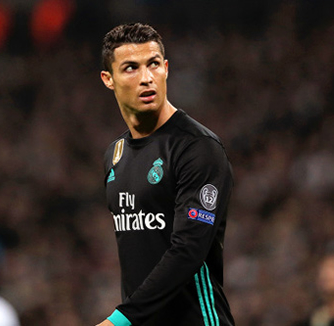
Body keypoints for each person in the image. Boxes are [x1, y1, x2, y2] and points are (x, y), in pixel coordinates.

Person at [96, 23, 235, 326]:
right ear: (109, 79)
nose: (147, 78)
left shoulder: (197, 147)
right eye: (131, 68)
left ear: (166, 69)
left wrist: (121, 320)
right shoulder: (115, 155)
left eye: (154, 64)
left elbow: (188, 250)